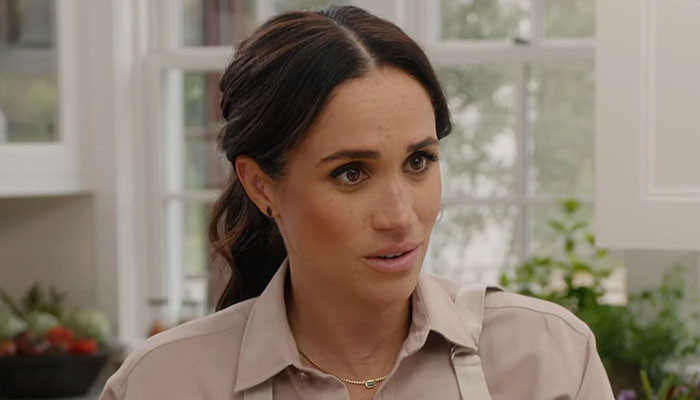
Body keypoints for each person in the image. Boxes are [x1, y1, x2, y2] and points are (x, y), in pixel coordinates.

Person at [99, 5, 615, 400]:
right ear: (261, 186)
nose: (400, 216)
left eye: (419, 162)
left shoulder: (547, 358)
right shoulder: (162, 383)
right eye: (351, 173)